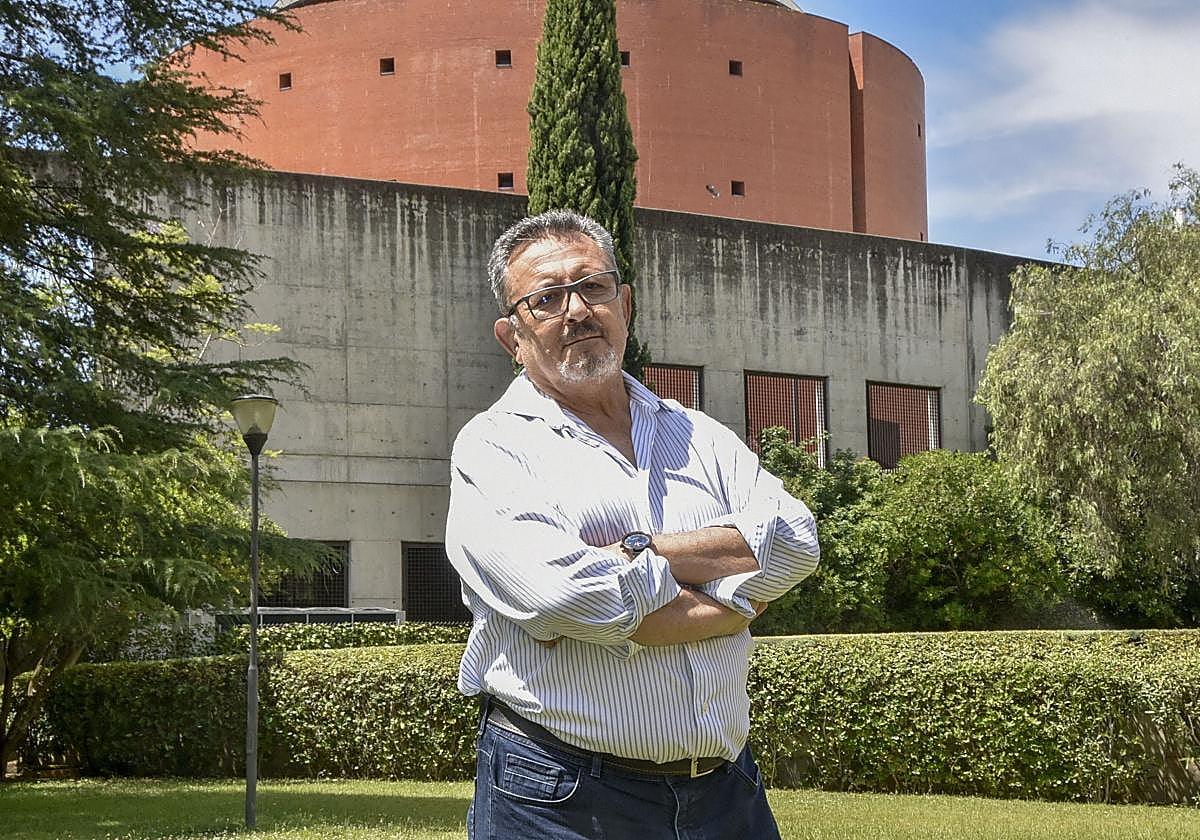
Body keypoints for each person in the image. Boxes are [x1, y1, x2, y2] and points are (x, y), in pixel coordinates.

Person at [445, 209, 819, 839]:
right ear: (512, 337)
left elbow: (794, 542)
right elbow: (560, 594)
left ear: (624, 303)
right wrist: (732, 597)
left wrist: (636, 556)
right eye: (546, 299)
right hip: (562, 800)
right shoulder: (493, 450)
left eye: (592, 288)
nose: (576, 311)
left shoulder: (699, 434)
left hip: (726, 793)